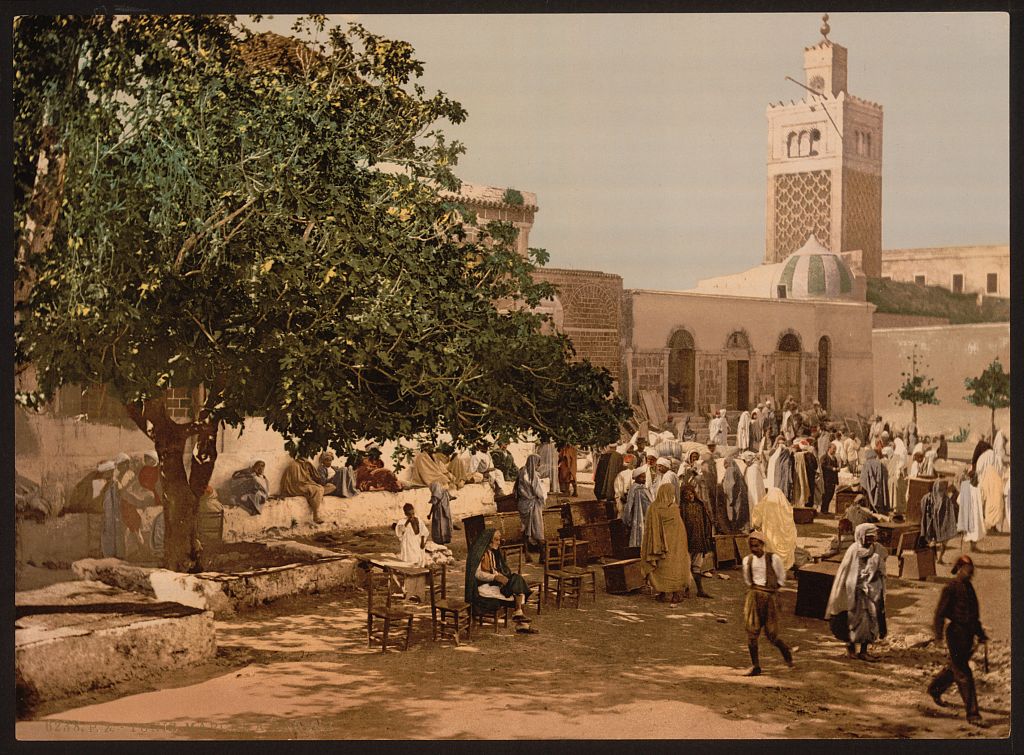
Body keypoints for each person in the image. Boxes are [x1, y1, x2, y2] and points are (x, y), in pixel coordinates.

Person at [928, 554, 986, 725]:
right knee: (963, 672)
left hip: (968, 634)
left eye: (972, 571)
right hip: (955, 634)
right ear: (960, 569)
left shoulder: (969, 587)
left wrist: (980, 634)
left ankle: (935, 689)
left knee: (956, 668)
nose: (971, 573)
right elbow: (939, 614)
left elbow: (974, 615)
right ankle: (973, 714)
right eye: (968, 570)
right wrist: (938, 636)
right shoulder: (951, 588)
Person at [826, 522, 888, 661]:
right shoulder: (853, 550)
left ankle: (864, 651)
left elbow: (882, 563)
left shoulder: (876, 548)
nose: (871, 540)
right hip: (853, 592)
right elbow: (847, 573)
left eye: (873, 537)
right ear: (861, 536)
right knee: (851, 622)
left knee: (869, 622)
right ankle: (851, 649)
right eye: (869, 537)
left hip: (870, 592)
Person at [741, 530, 795, 676]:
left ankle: (785, 650)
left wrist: (772, 593)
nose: (754, 549)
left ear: (763, 545)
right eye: (752, 546)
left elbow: (781, 578)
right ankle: (755, 665)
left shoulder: (773, 559)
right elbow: (747, 580)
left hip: (769, 597)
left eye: (757, 546)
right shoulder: (747, 561)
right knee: (752, 633)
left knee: (771, 634)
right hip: (754, 597)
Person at [640, 481, 695, 604]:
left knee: (661, 569)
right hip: (676, 544)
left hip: (658, 545)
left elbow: (649, 528)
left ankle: (664, 593)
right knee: (676, 568)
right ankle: (675, 594)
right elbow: (680, 528)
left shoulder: (653, 507)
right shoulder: (674, 508)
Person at [465, 528, 533, 624]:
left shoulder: (491, 552)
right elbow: (477, 574)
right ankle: (519, 616)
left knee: (516, 582)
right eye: (496, 540)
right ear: (488, 541)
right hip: (483, 587)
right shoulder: (478, 554)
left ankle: (519, 615)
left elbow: (494, 570)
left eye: (499, 540)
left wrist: (500, 576)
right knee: (517, 587)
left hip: (492, 584)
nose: (499, 542)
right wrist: (495, 577)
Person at [680, 484, 714, 598]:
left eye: (691, 494)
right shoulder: (682, 508)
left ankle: (700, 590)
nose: (690, 497)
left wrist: (706, 537)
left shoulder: (700, 506)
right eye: (686, 495)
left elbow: (707, 522)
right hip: (687, 541)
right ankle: (686, 589)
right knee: (686, 566)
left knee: (697, 566)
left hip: (699, 540)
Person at [750, 487, 798, 570]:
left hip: (769, 536)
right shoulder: (786, 508)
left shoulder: (764, 504)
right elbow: (791, 527)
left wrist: (758, 527)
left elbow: (756, 521)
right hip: (783, 541)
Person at [279, 455, 334, 523]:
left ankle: (313, 494)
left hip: (307, 484)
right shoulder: (294, 465)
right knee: (317, 489)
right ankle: (315, 515)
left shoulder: (306, 464)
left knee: (330, 487)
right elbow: (296, 481)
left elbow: (315, 477)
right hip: (298, 486)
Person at [514, 454, 547, 562]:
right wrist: (542, 499)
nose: (538, 466)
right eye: (537, 463)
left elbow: (516, 490)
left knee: (525, 528)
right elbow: (539, 493)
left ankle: (527, 553)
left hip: (522, 505)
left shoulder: (521, 472)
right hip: (532, 504)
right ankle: (542, 555)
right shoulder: (533, 476)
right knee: (538, 529)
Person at [920, 479, 958, 564]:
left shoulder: (945, 499)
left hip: (942, 525)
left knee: (943, 541)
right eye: (939, 490)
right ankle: (936, 558)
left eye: (942, 489)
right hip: (932, 525)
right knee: (933, 541)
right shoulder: (928, 498)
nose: (941, 492)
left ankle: (939, 558)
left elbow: (951, 511)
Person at [97, 460, 125, 558]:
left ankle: (117, 555)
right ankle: (108, 555)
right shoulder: (100, 484)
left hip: (115, 512)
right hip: (106, 512)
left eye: (111, 471)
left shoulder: (115, 483)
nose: (110, 473)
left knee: (116, 531)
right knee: (107, 531)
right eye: (108, 472)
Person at [976, 447, 1005, 533]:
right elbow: (1000, 470)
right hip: (995, 483)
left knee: (984, 503)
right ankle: (993, 525)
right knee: (995, 503)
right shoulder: (997, 457)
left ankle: (984, 524)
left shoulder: (982, 457)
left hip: (984, 482)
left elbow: (978, 470)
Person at [622, 467, 653, 549]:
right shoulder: (635, 488)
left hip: (646, 514)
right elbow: (629, 504)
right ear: (636, 478)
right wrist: (627, 518)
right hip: (638, 515)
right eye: (642, 477)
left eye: (645, 477)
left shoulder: (643, 488)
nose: (644, 479)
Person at [719, 454, 750, 534]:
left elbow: (730, 486)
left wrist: (729, 499)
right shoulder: (736, 470)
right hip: (739, 497)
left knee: (734, 516)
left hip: (733, 498)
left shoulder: (730, 470)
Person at [957, 469, 985, 553]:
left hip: (975, 512)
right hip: (971, 513)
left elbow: (981, 500)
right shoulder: (968, 488)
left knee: (975, 529)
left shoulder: (977, 488)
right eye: (976, 478)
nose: (977, 480)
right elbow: (959, 500)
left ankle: (973, 546)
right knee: (973, 529)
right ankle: (972, 547)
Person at [859, 449, 890, 514]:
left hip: (869, 487)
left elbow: (863, 480)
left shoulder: (866, 464)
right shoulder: (880, 464)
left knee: (869, 499)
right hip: (879, 487)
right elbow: (886, 476)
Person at [426, 481, 454, 546]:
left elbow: (433, 504)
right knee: (445, 525)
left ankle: (439, 541)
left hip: (438, 514)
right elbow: (450, 497)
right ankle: (444, 539)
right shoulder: (444, 492)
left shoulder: (436, 496)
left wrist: (430, 514)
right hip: (445, 513)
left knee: (439, 527)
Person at [819, 443, 840, 515]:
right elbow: (823, 465)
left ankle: (826, 509)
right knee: (826, 494)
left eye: (835, 449)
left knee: (831, 494)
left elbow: (836, 466)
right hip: (826, 479)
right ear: (829, 448)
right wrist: (832, 468)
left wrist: (837, 469)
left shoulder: (834, 458)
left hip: (833, 479)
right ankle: (823, 509)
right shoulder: (824, 457)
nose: (834, 451)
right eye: (833, 449)